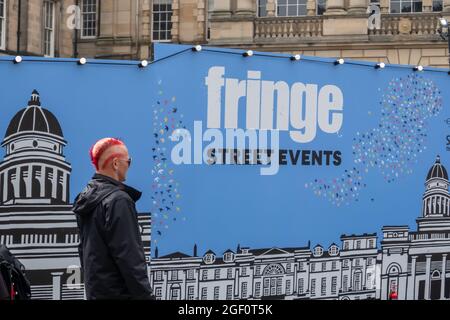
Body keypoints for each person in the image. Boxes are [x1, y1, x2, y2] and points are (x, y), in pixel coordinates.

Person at [73, 137, 153, 300]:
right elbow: (130, 259)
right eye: (128, 161)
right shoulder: (119, 200)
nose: (129, 165)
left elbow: (84, 252)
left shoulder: (86, 198)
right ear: (116, 163)